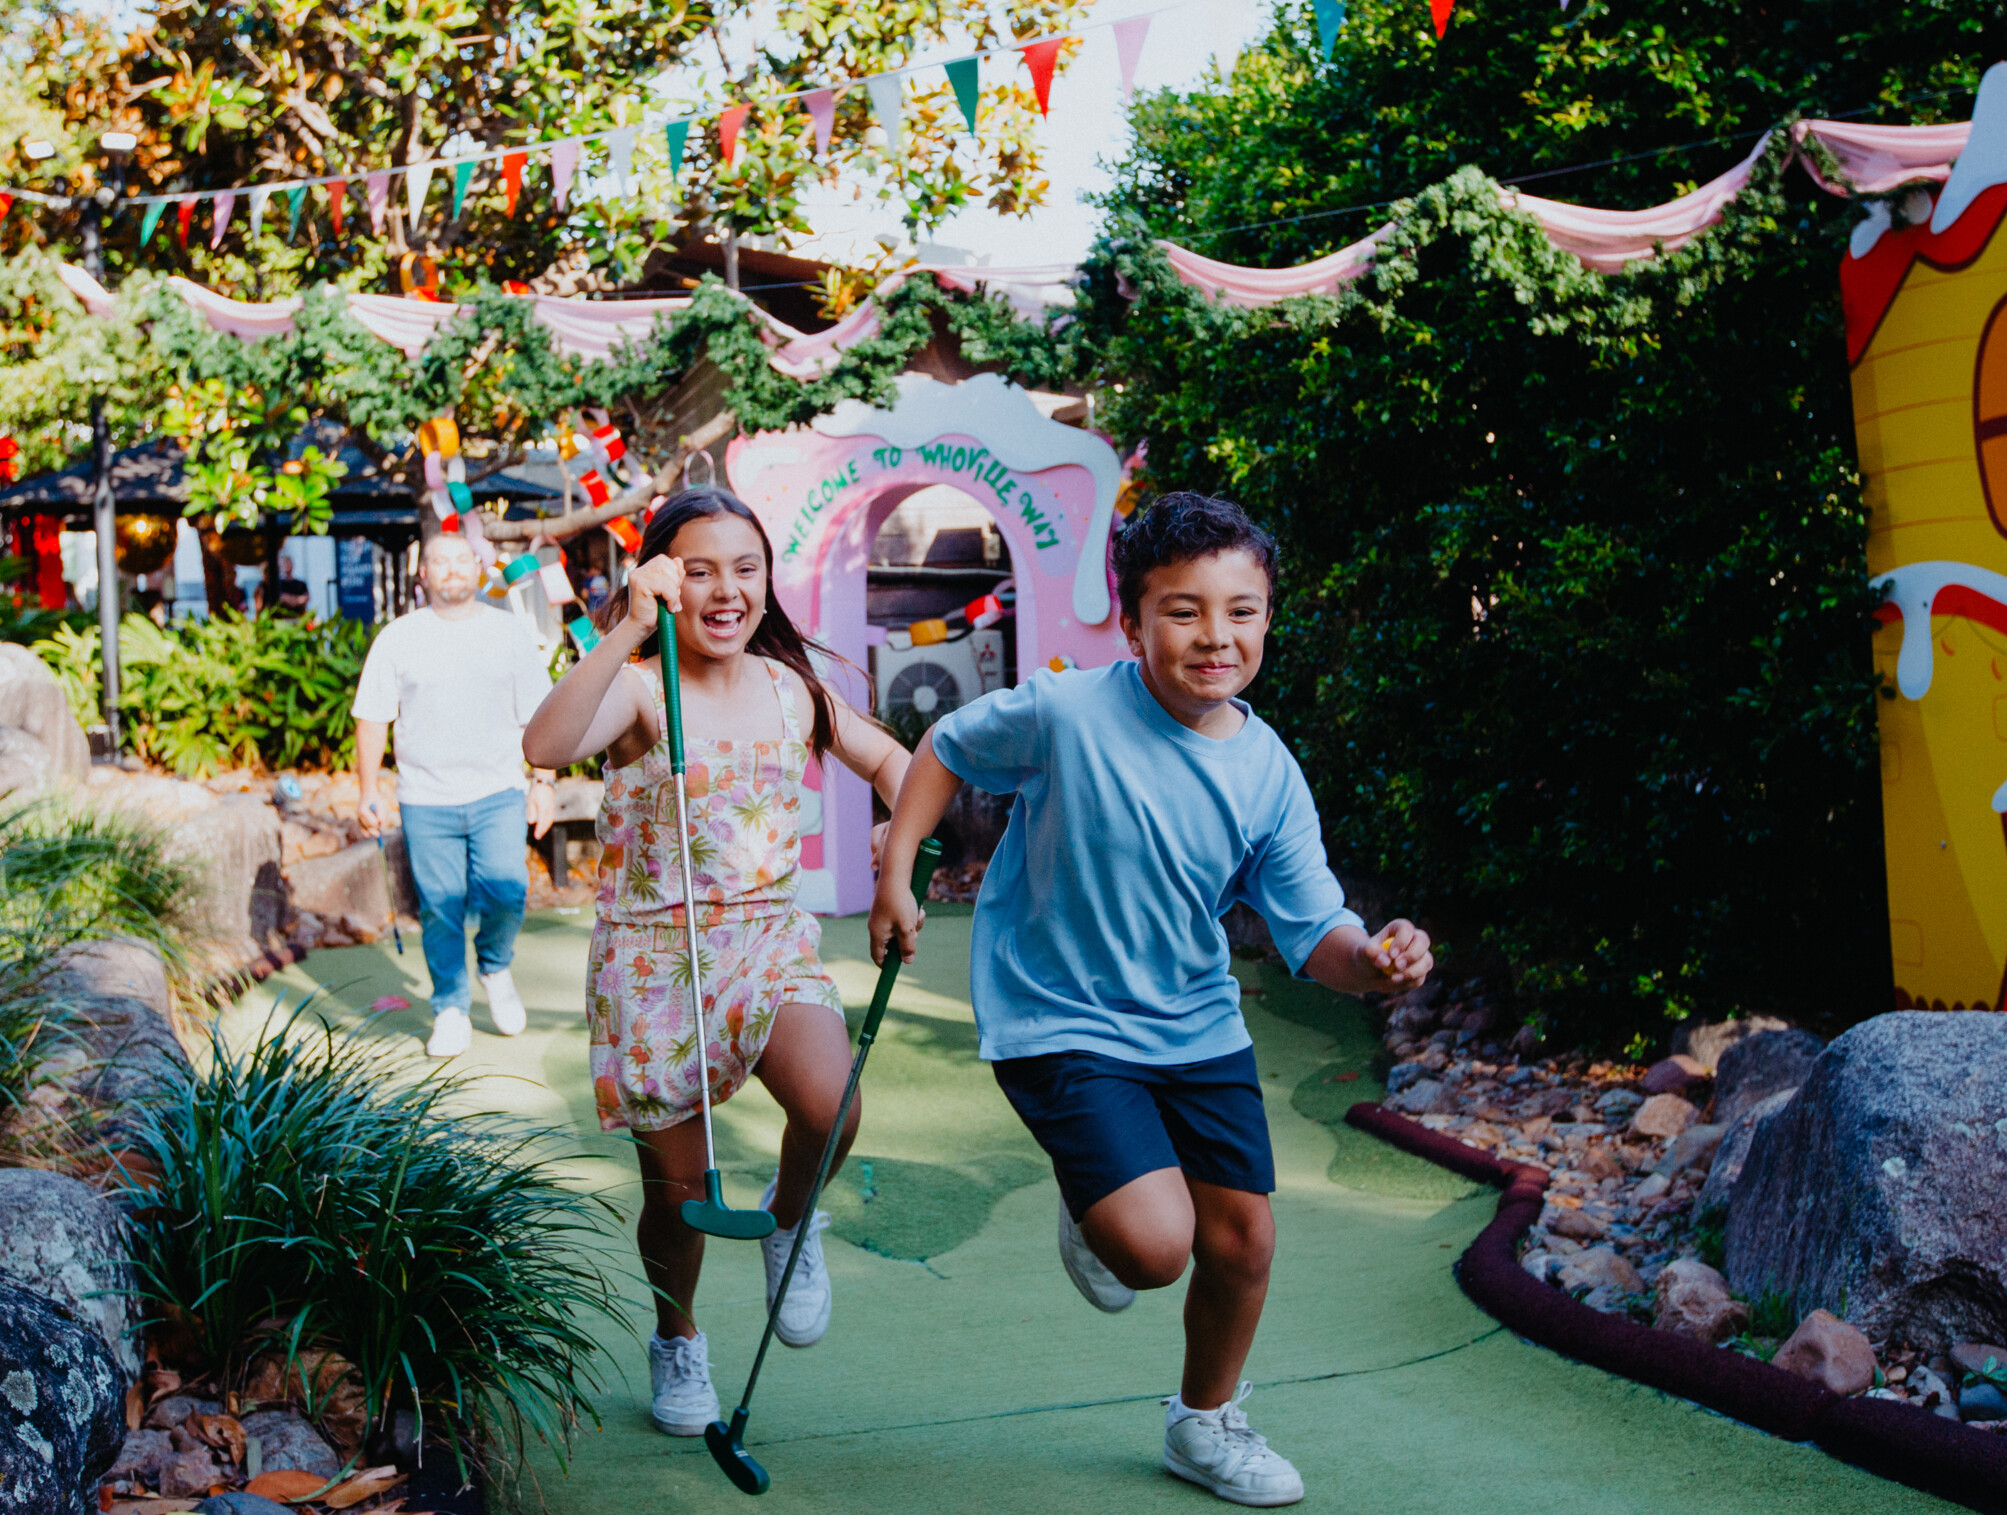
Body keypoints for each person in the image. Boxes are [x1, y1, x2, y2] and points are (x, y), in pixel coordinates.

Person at [869, 491, 1434, 1509]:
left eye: (1240, 610)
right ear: (1132, 622)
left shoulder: (1267, 770)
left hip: (1192, 1021)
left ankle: (1204, 1424)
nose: (1214, 636)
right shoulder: (1066, 712)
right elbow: (947, 746)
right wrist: (898, 867)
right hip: (1057, 1016)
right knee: (1154, 1248)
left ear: (1267, 616)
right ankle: (1101, 1204)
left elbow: (1317, 937)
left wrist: (1376, 960)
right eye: (1182, 610)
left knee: (1244, 1240)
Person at [522, 486, 911, 1438]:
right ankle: (678, 1334)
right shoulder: (641, 692)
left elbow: (898, 763)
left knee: (835, 1103)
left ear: (768, 581)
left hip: (766, 940)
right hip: (656, 960)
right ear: (663, 579)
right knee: (681, 1195)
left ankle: (788, 1221)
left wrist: (899, 838)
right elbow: (543, 742)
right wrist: (626, 623)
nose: (726, 590)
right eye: (698, 570)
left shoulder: (792, 689)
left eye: (745, 568)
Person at [353, 531, 560, 1058]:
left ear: (478, 570)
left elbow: (539, 716)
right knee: (440, 908)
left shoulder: (508, 633)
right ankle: (450, 1006)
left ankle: (494, 965)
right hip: (425, 797)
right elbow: (372, 716)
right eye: (437, 561)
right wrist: (367, 790)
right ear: (422, 574)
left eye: (460, 560)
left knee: (508, 890)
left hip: (498, 790)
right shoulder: (398, 638)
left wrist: (545, 783)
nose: (449, 569)